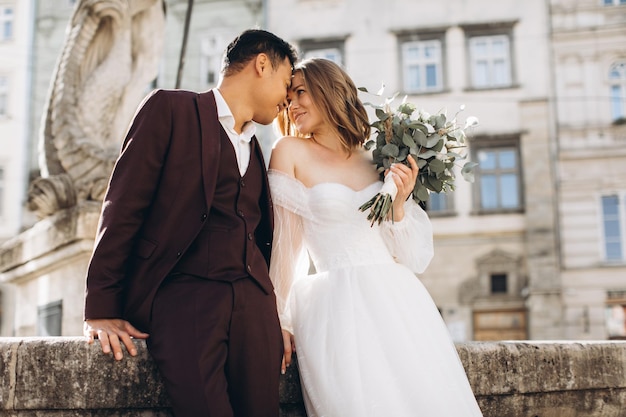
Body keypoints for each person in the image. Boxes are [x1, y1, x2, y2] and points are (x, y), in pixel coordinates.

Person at [82, 29, 298, 417]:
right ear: (262, 64)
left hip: (254, 309)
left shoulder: (256, 147)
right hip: (184, 301)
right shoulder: (170, 109)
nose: (287, 97)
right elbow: (122, 207)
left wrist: (276, 315)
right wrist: (100, 306)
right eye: (286, 82)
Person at [268, 58, 484, 416]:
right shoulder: (290, 151)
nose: (292, 104)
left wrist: (399, 203)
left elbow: (412, 257)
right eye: (289, 96)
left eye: (301, 92)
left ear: (331, 91)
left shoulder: (378, 157)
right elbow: (285, 248)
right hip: (334, 307)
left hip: (399, 300)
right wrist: (279, 317)